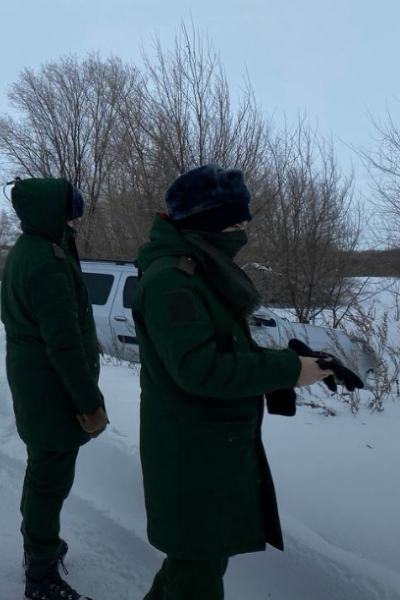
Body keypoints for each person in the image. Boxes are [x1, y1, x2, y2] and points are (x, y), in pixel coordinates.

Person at [132, 163, 332, 600]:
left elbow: (221, 350)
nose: (242, 232)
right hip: (191, 457)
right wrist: (287, 372)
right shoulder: (173, 282)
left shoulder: (200, 270)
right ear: (207, 222)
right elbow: (200, 369)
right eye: (236, 222)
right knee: (196, 574)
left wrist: (290, 361)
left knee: (192, 565)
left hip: (209, 451)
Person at [0, 178, 106, 600]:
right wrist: (88, 402)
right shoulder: (46, 262)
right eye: (68, 208)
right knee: (49, 479)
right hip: (52, 390)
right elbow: (63, 344)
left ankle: (39, 545)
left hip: (37, 383)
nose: (73, 215)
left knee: (42, 472)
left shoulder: (33, 250)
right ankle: (40, 575)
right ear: (50, 212)